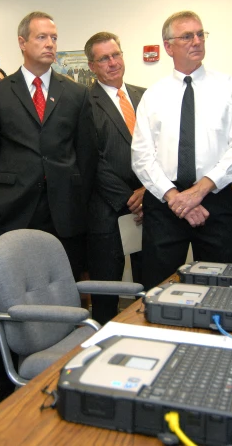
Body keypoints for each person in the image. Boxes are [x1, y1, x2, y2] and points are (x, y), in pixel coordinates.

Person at [0, 11, 97, 413]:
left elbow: (86, 155)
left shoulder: (75, 93)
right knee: (9, 303)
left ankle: (58, 374)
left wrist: (79, 200)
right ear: (22, 42)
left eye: (54, 37)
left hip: (63, 211)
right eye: (41, 37)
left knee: (62, 297)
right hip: (13, 210)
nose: (50, 43)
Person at [131, 10, 232, 291]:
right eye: (187, 36)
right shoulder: (153, 96)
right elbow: (141, 156)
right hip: (165, 202)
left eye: (201, 34)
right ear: (168, 46)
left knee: (222, 285)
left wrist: (199, 191)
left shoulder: (229, 88)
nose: (197, 41)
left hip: (215, 198)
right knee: (159, 287)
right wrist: (175, 198)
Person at [84, 31, 145, 324]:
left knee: (149, 287)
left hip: (149, 206)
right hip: (106, 212)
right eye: (103, 59)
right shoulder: (84, 101)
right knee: (106, 293)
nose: (112, 63)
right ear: (92, 66)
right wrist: (126, 198)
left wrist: (148, 189)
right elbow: (91, 158)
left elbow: (162, 148)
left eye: (116, 55)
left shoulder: (145, 96)